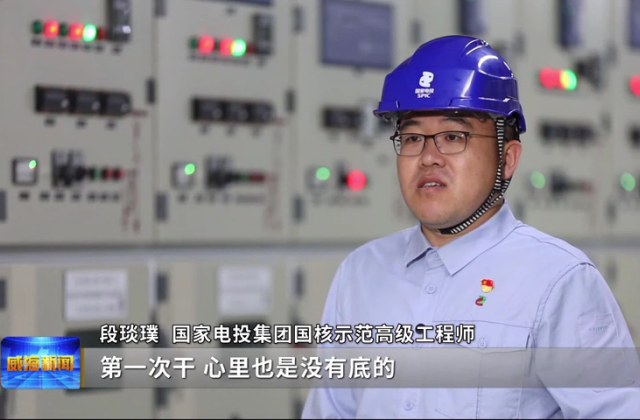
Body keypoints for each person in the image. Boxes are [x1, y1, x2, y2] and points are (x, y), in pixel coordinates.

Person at [302, 35, 640, 418]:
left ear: (507, 159)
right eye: (412, 137)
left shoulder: (558, 280)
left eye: (453, 136)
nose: (428, 157)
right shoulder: (361, 272)